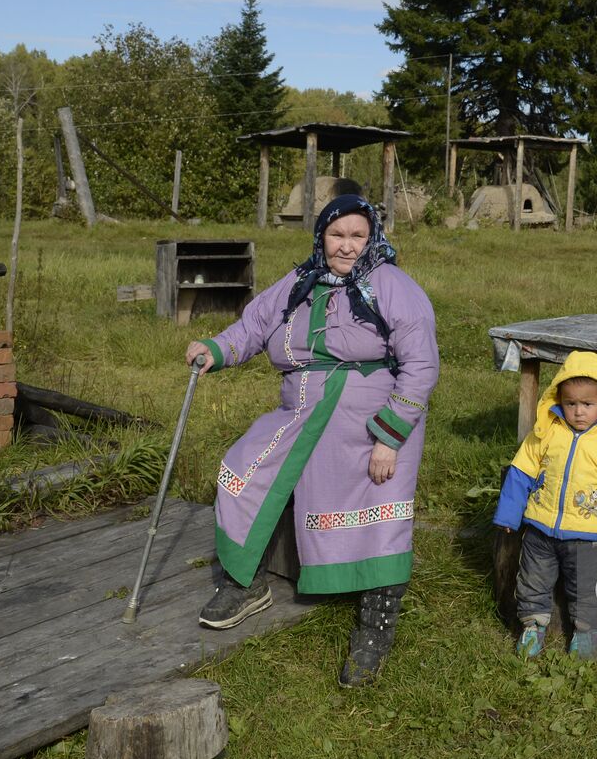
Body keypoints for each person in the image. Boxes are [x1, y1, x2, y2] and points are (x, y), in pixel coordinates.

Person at [185, 194, 439, 687]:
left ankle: (374, 626)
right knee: (242, 471)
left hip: (370, 422)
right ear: (322, 236)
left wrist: (390, 437)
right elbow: (254, 325)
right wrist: (217, 348)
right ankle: (247, 581)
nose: (346, 246)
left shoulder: (393, 287)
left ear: (372, 238)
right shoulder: (300, 281)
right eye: (337, 235)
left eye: (357, 236)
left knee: (379, 513)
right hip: (300, 410)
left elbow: (421, 366)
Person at [493, 351, 597, 658]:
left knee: (586, 589)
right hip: (539, 530)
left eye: (586, 404)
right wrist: (509, 513)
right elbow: (521, 473)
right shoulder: (545, 433)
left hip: (587, 539)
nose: (577, 412)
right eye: (570, 403)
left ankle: (585, 632)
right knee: (532, 581)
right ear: (559, 398)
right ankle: (532, 626)